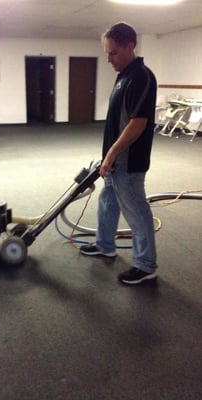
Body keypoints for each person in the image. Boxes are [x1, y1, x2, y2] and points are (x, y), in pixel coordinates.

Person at [80, 22, 158, 285]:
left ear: (130, 46)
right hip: (113, 161)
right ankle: (105, 245)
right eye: (106, 52)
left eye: (113, 52)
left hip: (128, 161)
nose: (108, 58)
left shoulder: (141, 77)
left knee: (136, 211)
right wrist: (107, 157)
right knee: (108, 203)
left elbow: (138, 123)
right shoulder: (123, 76)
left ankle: (146, 266)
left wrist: (112, 154)